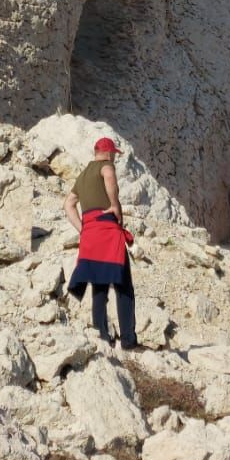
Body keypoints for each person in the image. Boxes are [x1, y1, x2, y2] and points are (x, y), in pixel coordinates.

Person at [64, 136, 137, 348]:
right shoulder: (105, 166)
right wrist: (114, 204)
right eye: (113, 153)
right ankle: (128, 341)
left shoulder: (83, 175)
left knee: (99, 286)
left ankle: (102, 337)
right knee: (123, 285)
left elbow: (68, 204)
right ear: (107, 153)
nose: (114, 157)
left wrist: (83, 229)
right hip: (107, 230)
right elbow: (109, 175)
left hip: (91, 233)